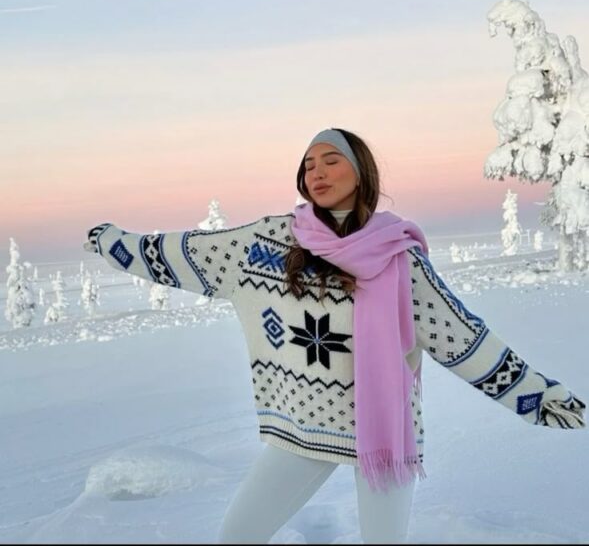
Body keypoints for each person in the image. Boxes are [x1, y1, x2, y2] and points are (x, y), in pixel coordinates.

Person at [84, 127, 585, 544]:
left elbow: (461, 337)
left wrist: (539, 398)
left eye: (330, 161)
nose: (317, 173)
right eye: (308, 165)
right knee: (236, 537)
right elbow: (187, 252)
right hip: (302, 431)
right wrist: (114, 243)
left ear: (361, 171)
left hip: (383, 438)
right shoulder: (266, 243)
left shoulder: (397, 258)